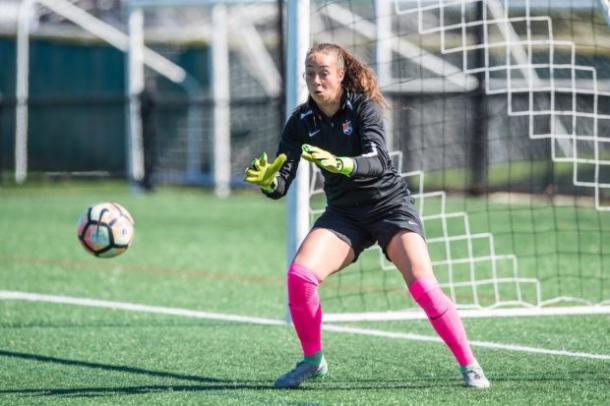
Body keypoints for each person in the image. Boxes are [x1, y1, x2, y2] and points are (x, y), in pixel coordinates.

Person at [244, 42, 490, 390]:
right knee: (300, 276)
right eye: (309, 74)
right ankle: (313, 361)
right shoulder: (300, 121)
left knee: (423, 285)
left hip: (389, 206)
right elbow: (283, 180)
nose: (316, 81)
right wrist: (270, 183)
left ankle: (469, 364)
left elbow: (377, 159)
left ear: (341, 75)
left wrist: (342, 164)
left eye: (323, 73)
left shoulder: (363, 108)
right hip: (345, 215)